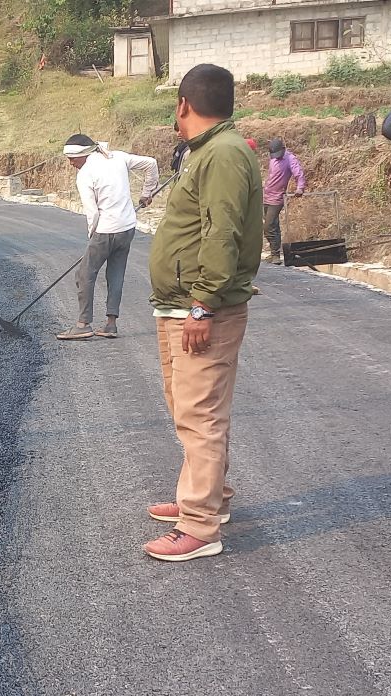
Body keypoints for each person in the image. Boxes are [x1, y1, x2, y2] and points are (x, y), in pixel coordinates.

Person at [143, 63, 262, 562]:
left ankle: (200, 524)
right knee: (187, 409)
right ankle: (209, 495)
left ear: (184, 105)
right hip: (178, 306)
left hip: (198, 306)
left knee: (200, 416)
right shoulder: (207, 152)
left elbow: (221, 233)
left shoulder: (224, 154)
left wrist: (202, 303)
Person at [55, 134, 159, 340]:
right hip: (127, 228)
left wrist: (92, 235)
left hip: (105, 230)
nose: (71, 163)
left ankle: (83, 324)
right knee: (116, 274)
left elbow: (92, 213)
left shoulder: (85, 174)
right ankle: (111, 324)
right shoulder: (118, 158)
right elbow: (151, 164)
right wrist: (147, 193)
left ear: (84, 154)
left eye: (73, 159)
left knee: (84, 275)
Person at [262, 138, 305, 265]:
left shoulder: (290, 159)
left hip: (277, 197)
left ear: (284, 150)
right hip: (267, 195)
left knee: (268, 226)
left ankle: (275, 254)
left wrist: (300, 188)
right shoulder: (273, 158)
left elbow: (299, 174)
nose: (276, 157)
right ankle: (274, 253)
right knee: (273, 224)